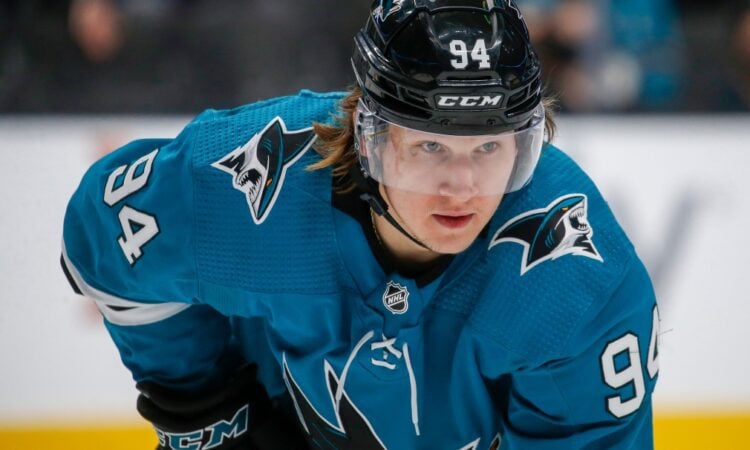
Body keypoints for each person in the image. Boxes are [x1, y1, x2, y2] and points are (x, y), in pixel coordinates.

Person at [61, 1, 660, 448]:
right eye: (430, 147)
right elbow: (100, 237)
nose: (463, 187)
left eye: (489, 148)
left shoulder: (576, 277)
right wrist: (204, 406)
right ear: (369, 139)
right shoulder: (252, 179)